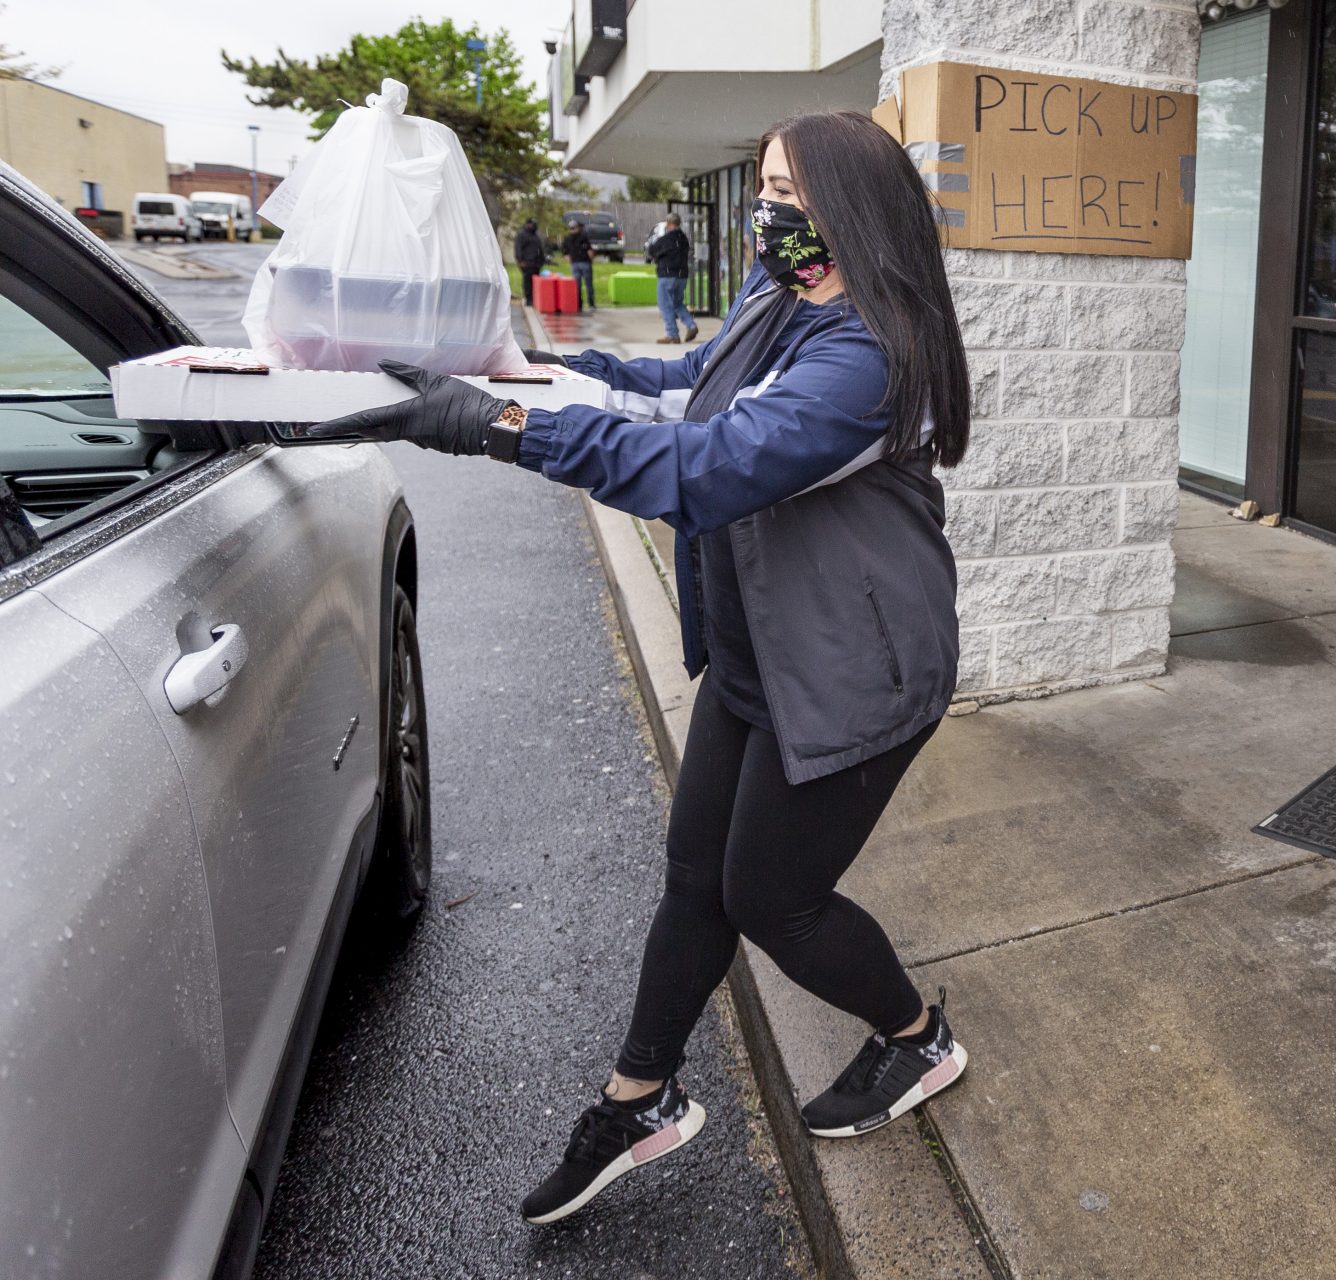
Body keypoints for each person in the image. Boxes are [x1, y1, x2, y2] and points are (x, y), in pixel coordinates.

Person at [310, 109, 973, 1226]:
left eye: (793, 195)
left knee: (773, 895)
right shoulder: (780, 300)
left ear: (854, 209)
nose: (771, 212)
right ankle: (640, 1096)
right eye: (765, 186)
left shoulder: (871, 349)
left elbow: (710, 464)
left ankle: (919, 1039)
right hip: (766, 653)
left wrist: (501, 425)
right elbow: (677, 390)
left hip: (859, 670)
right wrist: (527, 372)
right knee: (693, 871)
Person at [647, 212, 698, 344]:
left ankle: (672, 334)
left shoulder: (666, 239)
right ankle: (691, 325)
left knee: (665, 304)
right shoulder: (684, 239)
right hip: (682, 276)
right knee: (677, 303)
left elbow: (652, 251)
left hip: (667, 275)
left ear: (669, 224)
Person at [561, 218, 596, 310]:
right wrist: (591, 260)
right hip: (584, 263)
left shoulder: (567, 238)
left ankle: (579, 305)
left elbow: (564, 252)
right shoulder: (584, 237)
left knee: (577, 285)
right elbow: (589, 251)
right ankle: (591, 304)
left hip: (575, 264)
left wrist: (568, 258)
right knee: (588, 285)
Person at [513, 217, 545, 305]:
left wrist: (542, 260)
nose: (534, 226)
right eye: (532, 224)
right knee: (527, 282)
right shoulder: (522, 235)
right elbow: (518, 248)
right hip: (527, 262)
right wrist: (520, 260)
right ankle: (529, 299)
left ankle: (534, 298)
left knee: (534, 282)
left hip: (536, 263)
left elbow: (540, 249)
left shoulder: (535, 235)